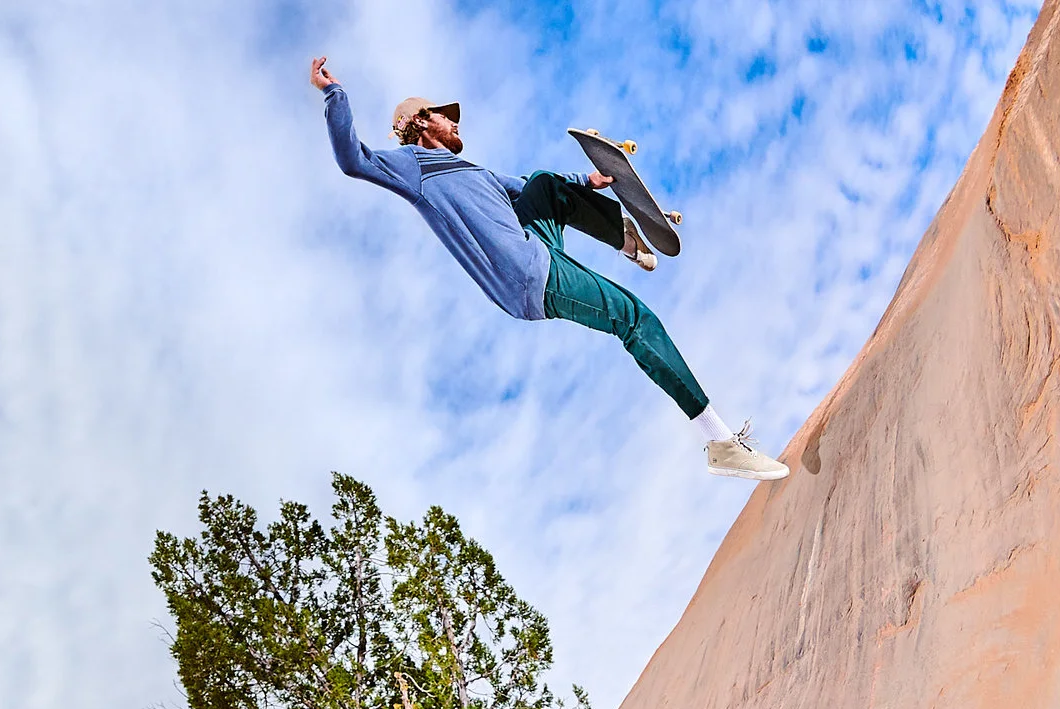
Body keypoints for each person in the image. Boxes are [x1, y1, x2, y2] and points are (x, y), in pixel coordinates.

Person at [310, 58, 788, 482]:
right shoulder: (412, 165)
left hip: (539, 246)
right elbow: (354, 160)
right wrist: (335, 94)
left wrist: (589, 181)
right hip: (527, 276)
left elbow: (527, 189)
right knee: (635, 320)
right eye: (446, 117)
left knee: (541, 181)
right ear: (420, 123)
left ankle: (623, 236)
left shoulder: (473, 172)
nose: (456, 124)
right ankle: (722, 445)